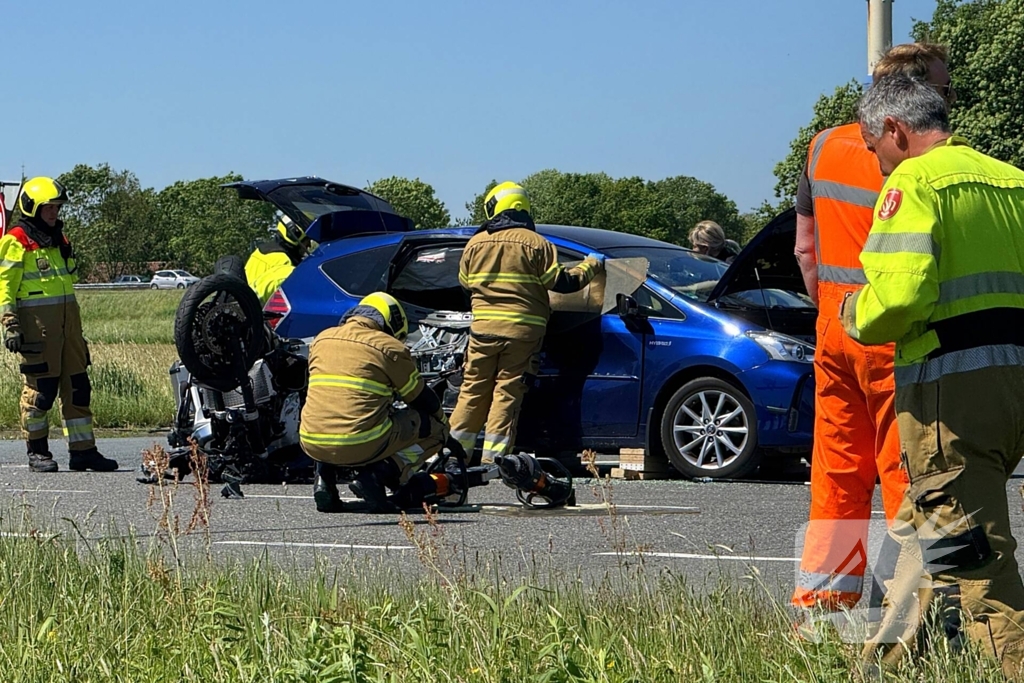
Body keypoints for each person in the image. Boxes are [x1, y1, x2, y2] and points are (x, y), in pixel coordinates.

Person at [844, 75, 1024, 678]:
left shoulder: (913, 183)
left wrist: (855, 313)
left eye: (873, 146)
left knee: (976, 564)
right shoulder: (1011, 180)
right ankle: (883, 663)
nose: (876, 161)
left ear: (895, 130)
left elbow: (899, 300)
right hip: (1013, 385)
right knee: (925, 528)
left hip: (951, 393)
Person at [791, 43, 955, 611]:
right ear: (912, 95)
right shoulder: (917, 155)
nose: (948, 103)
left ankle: (823, 610)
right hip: (894, 330)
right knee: (908, 472)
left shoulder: (822, 146)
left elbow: (805, 250)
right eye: (943, 91)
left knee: (837, 473)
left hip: (835, 325)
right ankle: (912, 614)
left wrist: (831, 311)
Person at [448, 182, 603, 464]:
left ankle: (453, 456)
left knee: (472, 390)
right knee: (506, 392)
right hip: (522, 333)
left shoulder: (475, 243)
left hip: (482, 332)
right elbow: (564, 283)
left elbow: (464, 287)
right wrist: (591, 265)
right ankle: (494, 460)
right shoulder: (537, 244)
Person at [0, 177, 117, 473]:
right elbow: (4, 286)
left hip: (69, 329)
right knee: (40, 392)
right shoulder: (15, 240)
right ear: (32, 207)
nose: (54, 213)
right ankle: (38, 452)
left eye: (57, 207)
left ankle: (83, 452)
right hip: (38, 330)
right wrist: (10, 323)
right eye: (48, 207)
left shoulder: (58, 239)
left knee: (78, 388)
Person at [299, 292, 452, 513]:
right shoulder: (389, 347)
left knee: (330, 411)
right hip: (360, 443)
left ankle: (324, 483)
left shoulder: (321, 340)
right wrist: (445, 427)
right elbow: (419, 397)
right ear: (393, 322)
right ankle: (377, 476)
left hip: (311, 441)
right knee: (435, 428)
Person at [244, 213, 310, 305]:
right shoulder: (284, 262)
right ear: (295, 236)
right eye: (307, 241)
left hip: (245, 301)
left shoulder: (260, 251)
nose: (308, 246)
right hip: (258, 308)